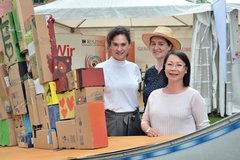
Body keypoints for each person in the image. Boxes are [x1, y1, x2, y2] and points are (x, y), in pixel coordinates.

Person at [141, 51, 210, 137]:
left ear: (186, 70)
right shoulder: (154, 95)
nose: (173, 68)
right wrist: (148, 130)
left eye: (179, 65)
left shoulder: (193, 95)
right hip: (157, 147)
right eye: (169, 64)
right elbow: (144, 121)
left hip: (184, 148)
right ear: (164, 68)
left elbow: (203, 127)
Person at [96, 26, 143, 136]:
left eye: (123, 44)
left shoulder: (134, 68)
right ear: (110, 46)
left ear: (129, 45)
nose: (119, 49)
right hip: (112, 122)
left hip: (134, 120)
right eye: (115, 44)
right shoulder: (100, 68)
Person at [142, 27, 181, 109]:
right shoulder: (149, 72)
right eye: (153, 44)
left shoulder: (175, 71)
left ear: (169, 46)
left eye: (161, 44)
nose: (156, 48)